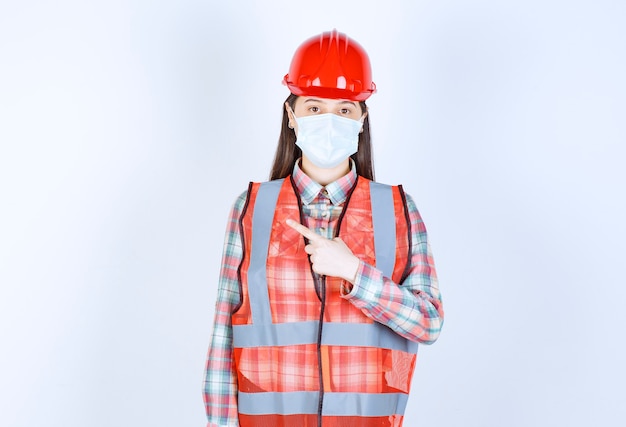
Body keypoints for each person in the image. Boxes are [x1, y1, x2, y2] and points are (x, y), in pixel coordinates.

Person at [203, 29, 444, 427]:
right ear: (292, 115)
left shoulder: (398, 209)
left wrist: (355, 273)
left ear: (362, 118)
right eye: (315, 108)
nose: (330, 121)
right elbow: (223, 335)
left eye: (345, 110)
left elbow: (428, 323)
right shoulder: (252, 207)